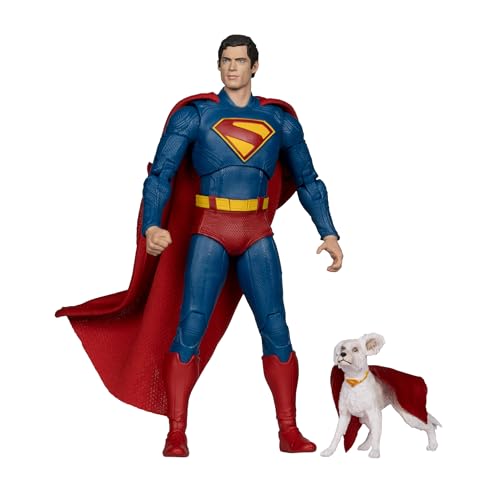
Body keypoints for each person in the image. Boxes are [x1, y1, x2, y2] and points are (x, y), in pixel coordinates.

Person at [56, 34, 343, 458]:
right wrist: (152, 226)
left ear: (255, 66)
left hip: (257, 233)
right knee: (190, 328)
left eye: (240, 61)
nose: (232, 68)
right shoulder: (196, 115)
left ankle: (289, 430)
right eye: (226, 60)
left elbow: (308, 179)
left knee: (277, 330)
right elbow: (161, 175)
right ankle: (176, 433)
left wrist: (328, 232)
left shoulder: (279, 119)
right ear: (219, 65)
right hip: (210, 231)